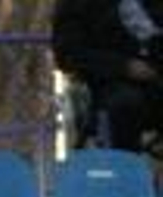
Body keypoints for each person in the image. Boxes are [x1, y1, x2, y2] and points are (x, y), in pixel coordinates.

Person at [52, 0, 163, 157]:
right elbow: (68, 54)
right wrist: (124, 67)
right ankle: (126, 173)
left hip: (156, 78)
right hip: (110, 84)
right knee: (126, 104)